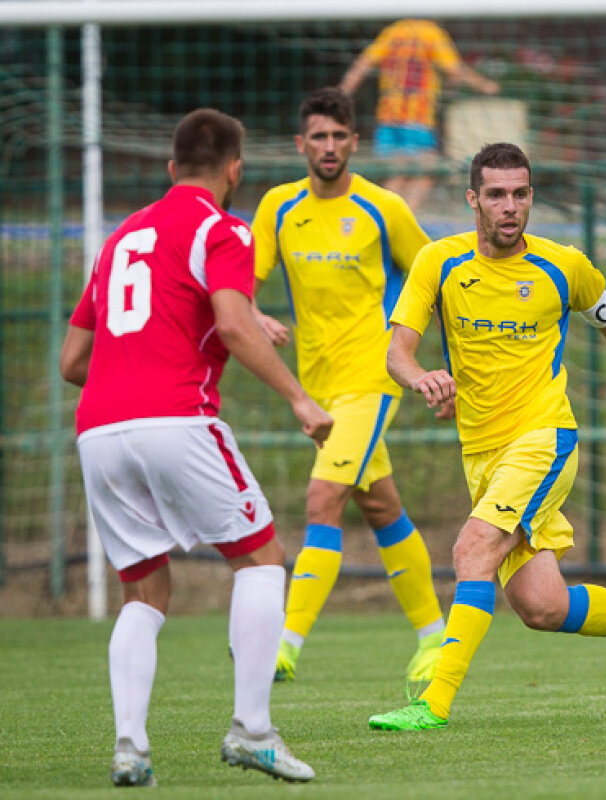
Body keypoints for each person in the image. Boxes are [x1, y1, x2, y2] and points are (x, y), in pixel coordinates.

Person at [366, 143, 606, 732]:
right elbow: (397, 351)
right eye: (496, 195)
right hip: (481, 452)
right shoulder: (438, 262)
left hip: (543, 439)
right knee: (542, 606)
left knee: (472, 551)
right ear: (473, 199)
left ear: (531, 197)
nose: (510, 206)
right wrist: (421, 376)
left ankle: (434, 703)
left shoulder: (564, 266)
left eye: (520, 194)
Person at [60, 108, 332, 786]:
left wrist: (135, 374)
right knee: (263, 561)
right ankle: (252, 732)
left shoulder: (121, 237)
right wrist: (300, 399)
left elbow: (72, 362)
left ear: (170, 167)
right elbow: (233, 325)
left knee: (144, 589)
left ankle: (130, 749)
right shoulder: (223, 228)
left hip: (98, 429)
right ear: (235, 169)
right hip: (176, 418)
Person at [250, 88, 445, 694]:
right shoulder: (279, 207)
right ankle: (434, 636)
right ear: (300, 144)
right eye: (319, 136)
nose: (329, 146)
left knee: (322, 499)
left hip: (373, 378)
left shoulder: (383, 208)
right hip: (318, 385)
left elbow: (436, 276)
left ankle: (283, 645)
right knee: (380, 506)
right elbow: (240, 284)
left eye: (339, 136)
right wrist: (252, 313)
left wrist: (438, 359)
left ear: (355, 142)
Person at [340, 18, 500, 210]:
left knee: (397, 174)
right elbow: (454, 69)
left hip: (387, 117)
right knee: (427, 170)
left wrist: (342, 92)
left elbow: (363, 64)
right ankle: (404, 216)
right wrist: (485, 85)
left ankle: (385, 218)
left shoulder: (393, 32)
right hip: (417, 117)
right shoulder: (431, 33)